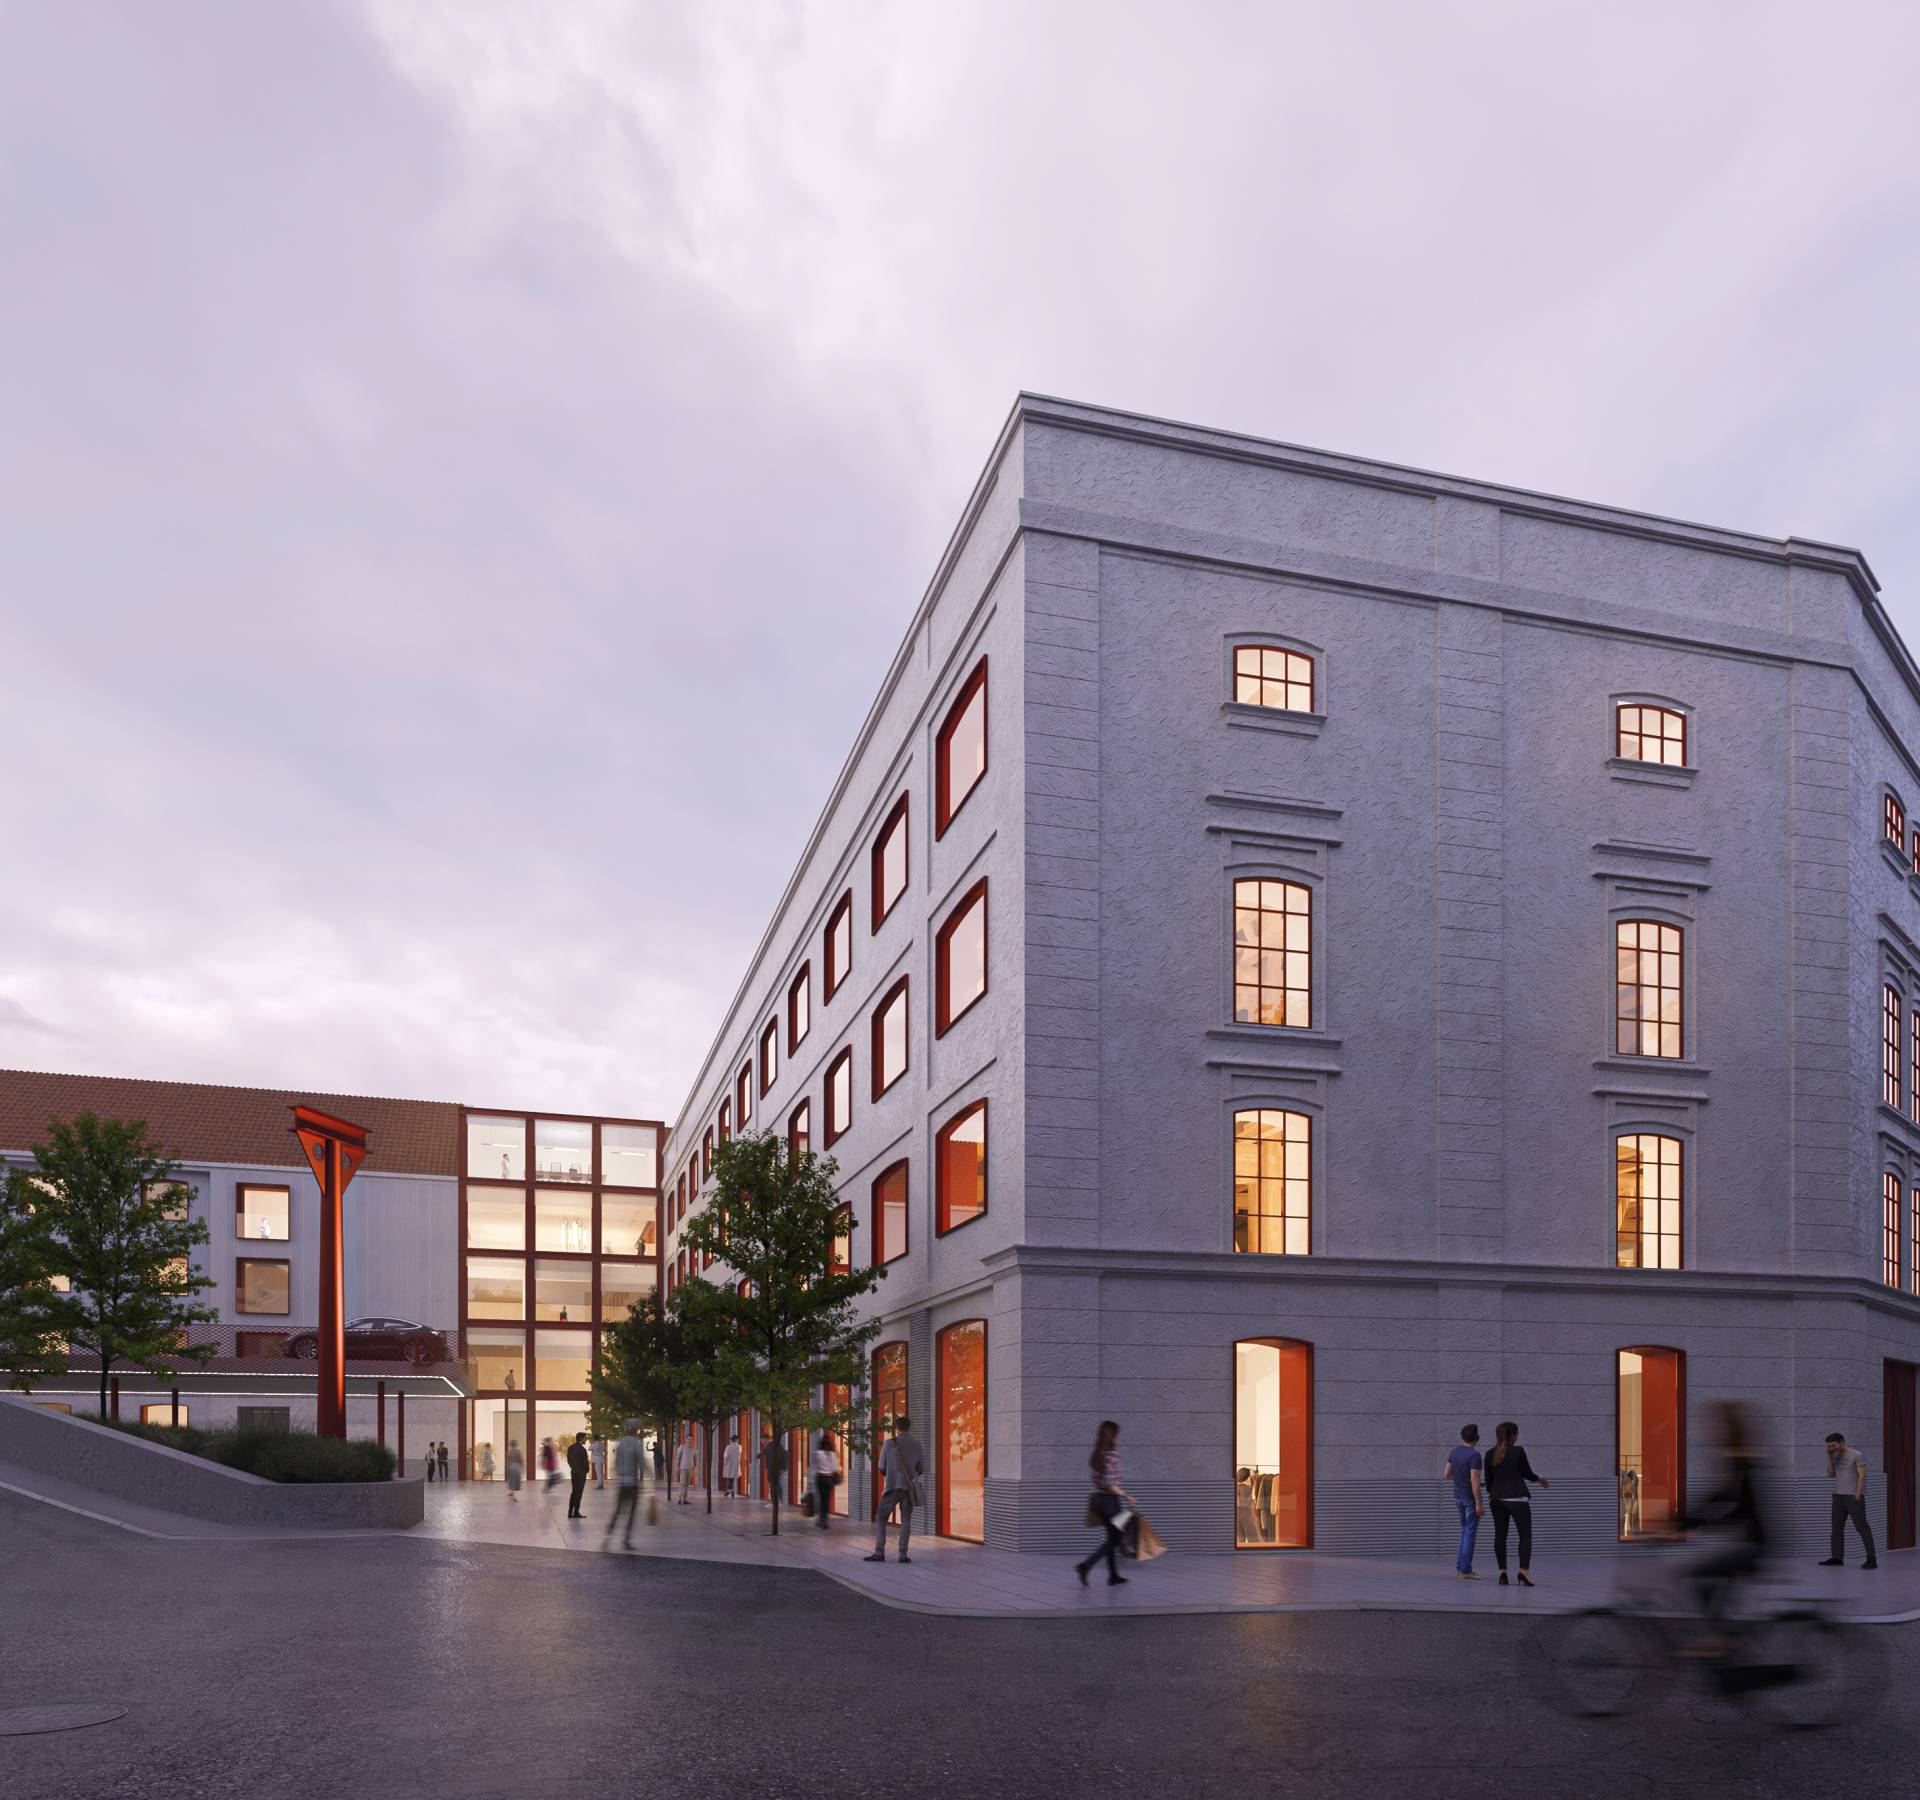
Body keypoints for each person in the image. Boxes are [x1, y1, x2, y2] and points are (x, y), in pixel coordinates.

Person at [1685, 1399, 1771, 1634]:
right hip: (1750, 1543)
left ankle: (1723, 1639)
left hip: (1756, 1546)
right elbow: (1720, 1495)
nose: (1712, 1431)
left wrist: (1697, 1523)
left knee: (1697, 1576)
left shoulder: (1745, 1461)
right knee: (1707, 1578)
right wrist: (1681, 1521)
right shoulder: (1737, 1460)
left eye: (1719, 1424)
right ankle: (1724, 1637)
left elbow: (1740, 1507)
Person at [1482, 1421, 1549, 1587]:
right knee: (1525, 1536)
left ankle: (1502, 1573)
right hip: (1517, 1498)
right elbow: (1527, 1473)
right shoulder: (1518, 1452)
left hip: (1496, 1499)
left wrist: (1493, 1494)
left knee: (1500, 1536)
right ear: (1513, 1435)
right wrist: (1539, 1479)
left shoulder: (1489, 1454)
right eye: (1517, 1433)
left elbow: (1488, 1481)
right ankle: (1523, 1573)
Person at [1074, 1419, 1132, 1586]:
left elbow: (1100, 1481)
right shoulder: (1113, 1456)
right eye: (1117, 1435)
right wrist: (1126, 1496)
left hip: (1098, 1500)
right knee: (1115, 1539)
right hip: (1110, 1501)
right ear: (1112, 1436)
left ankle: (1113, 1576)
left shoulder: (1097, 1455)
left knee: (1111, 1538)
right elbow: (1109, 1483)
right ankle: (1086, 1565)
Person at [866, 1414, 925, 1564]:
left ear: (896, 1428)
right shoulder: (917, 1444)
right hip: (908, 1487)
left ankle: (879, 1552)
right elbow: (921, 1468)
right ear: (909, 1427)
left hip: (892, 1486)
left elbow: (881, 1467)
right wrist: (910, 1474)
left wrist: (891, 1474)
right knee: (906, 1520)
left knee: (881, 1517)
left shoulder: (888, 1443)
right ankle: (903, 1554)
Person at [1820, 1431, 1878, 1569]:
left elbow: (1862, 1475)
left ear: (1841, 1442)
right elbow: (1831, 1474)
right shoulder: (1835, 1455)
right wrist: (1829, 1457)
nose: (1831, 1448)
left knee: (1862, 1527)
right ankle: (1837, 1557)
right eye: (1829, 1446)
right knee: (1836, 1528)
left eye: (1833, 1445)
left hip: (1853, 1497)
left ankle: (1872, 1559)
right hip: (1838, 1497)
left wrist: (1857, 1494)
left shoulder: (1856, 1455)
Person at [1443, 1424, 1484, 1579]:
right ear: (1476, 1438)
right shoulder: (1474, 1455)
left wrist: (1462, 1480)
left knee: (1465, 1531)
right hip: (1469, 1498)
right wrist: (1479, 1503)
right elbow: (1474, 1480)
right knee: (1470, 1532)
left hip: (1458, 1496)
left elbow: (1447, 1474)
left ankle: (1461, 1568)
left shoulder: (1454, 1452)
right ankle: (1465, 1570)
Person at [605, 1419, 646, 1548]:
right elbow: (641, 1462)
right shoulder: (636, 1443)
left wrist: (619, 1476)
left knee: (618, 1511)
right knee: (631, 1512)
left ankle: (607, 1537)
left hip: (622, 1482)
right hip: (632, 1482)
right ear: (634, 1429)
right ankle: (626, 1539)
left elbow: (616, 1462)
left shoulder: (620, 1442)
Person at [811, 1432, 840, 1529]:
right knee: (826, 1500)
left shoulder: (817, 1454)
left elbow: (814, 1467)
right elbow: (835, 1468)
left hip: (820, 1478)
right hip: (830, 1478)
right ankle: (824, 1520)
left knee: (822, 1498)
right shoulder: (833, 1454)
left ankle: (821, 1519)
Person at [566, 1431, 591, 1519]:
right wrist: (586, 1470)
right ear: (581, 1438)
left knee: (574, 1492)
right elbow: (585, 1463)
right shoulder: (582, 1449)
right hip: (581, 1473)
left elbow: (568, 1459)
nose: (586, 1439)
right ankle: (576, 1512)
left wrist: (573, 1468)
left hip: (574, 1472)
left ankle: (570, 1512)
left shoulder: (570, 1448)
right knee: (579, 1493)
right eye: (585, 1438)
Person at [762, 1429, 788, 1505]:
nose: (761, 1442)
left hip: (776, 1468)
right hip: (776, 1468)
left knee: (775, 1484)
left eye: (762, 1440)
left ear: (766, 1439)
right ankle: (776, 1501)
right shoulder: (770, 1446)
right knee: (775, 1484)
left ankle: (777, 1501)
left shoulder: (772, 1446)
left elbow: (774, 1458)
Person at [720, 1435, 743, 1499]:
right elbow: (739, 1454)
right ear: (736, 1440)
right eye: (738, 1439)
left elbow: (725, 1456)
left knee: (730, 1479)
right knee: (731, 1479)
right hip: (736, 1465)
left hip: (729, 1465)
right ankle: (731, 1492)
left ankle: (729, 1491)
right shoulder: (740, 1447)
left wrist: (725, 1464)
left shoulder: (728, 1447)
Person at [675, 1433, 695, 1505]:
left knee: (687, 1484)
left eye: (691, 1439)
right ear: (686, 1439)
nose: (689, 1440)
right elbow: (678, 1456)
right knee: (682, 1483)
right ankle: (680, 1499)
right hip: (683, 1467)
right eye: (688, 1439)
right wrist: (677, 1466)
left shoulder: (693, 1448)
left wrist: (694, 1467)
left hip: (690, 1468)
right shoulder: (682, 1447)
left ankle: (685, 1499)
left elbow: (694, 1458)